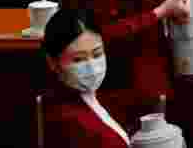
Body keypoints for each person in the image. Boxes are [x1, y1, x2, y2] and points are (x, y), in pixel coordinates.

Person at [39, 8, 131, 147]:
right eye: (78, 59)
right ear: (53, 62)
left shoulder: (100, 96)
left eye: (97, 54)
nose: (92, 68)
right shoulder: (70, 121)